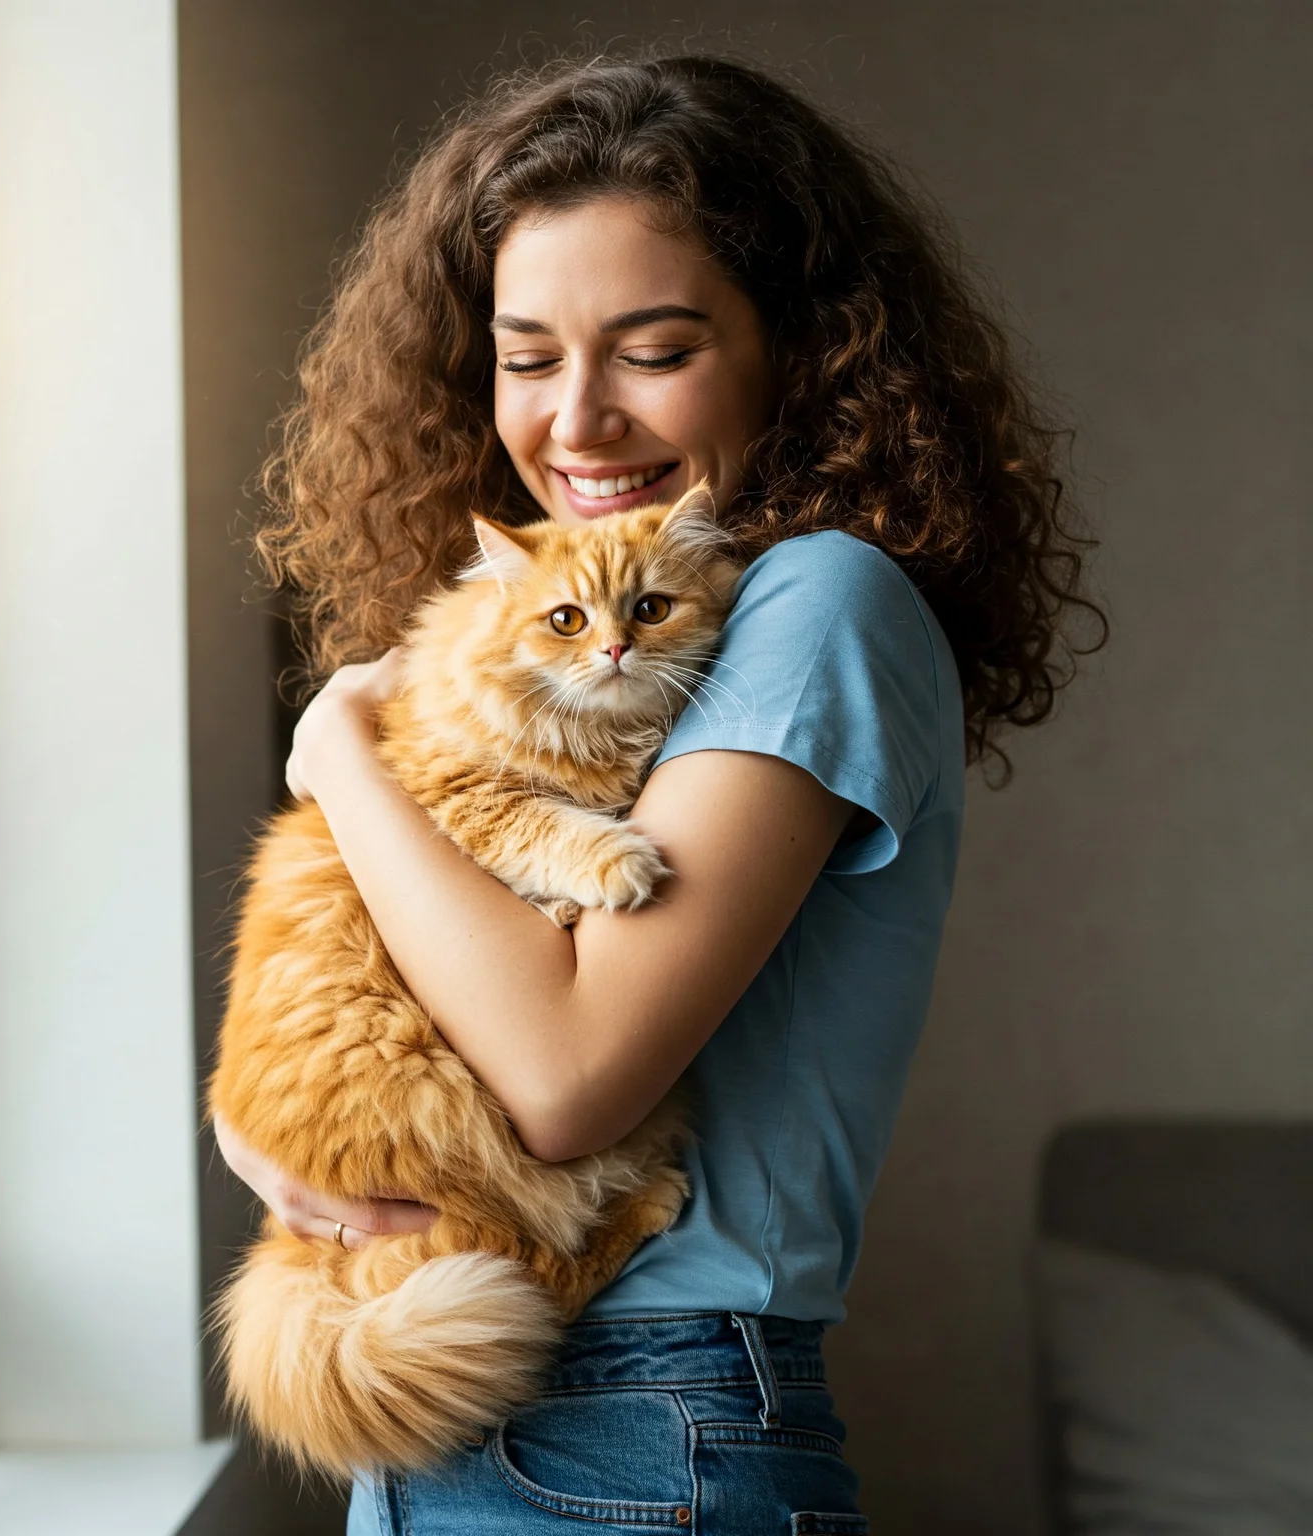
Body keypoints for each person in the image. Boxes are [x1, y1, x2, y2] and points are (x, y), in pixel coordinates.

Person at [212, 53, 1100, 1534]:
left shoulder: (815, 602)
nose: (579, 420)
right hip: (470, 1382)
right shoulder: (555, 616)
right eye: (528, 355)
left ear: (797, 350)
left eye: (655, 347)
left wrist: (335, 762)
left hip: (634, 1414)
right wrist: (272, 1136)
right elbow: (423, 976)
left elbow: (564, 1076)